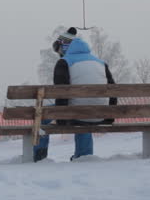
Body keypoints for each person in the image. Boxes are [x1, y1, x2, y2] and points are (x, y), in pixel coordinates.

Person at [33, 27, 116, 162]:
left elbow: (61, 92)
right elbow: (113, 90)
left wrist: (61, 119)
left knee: (43, 114)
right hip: (100, 114)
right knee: (84, 113)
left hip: (77, 114)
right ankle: (84, 155)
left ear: (64, 48)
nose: (59, 54)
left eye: (58, 50)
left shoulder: (64, 62)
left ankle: (39, 157)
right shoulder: (100, 63)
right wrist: (109, 117)